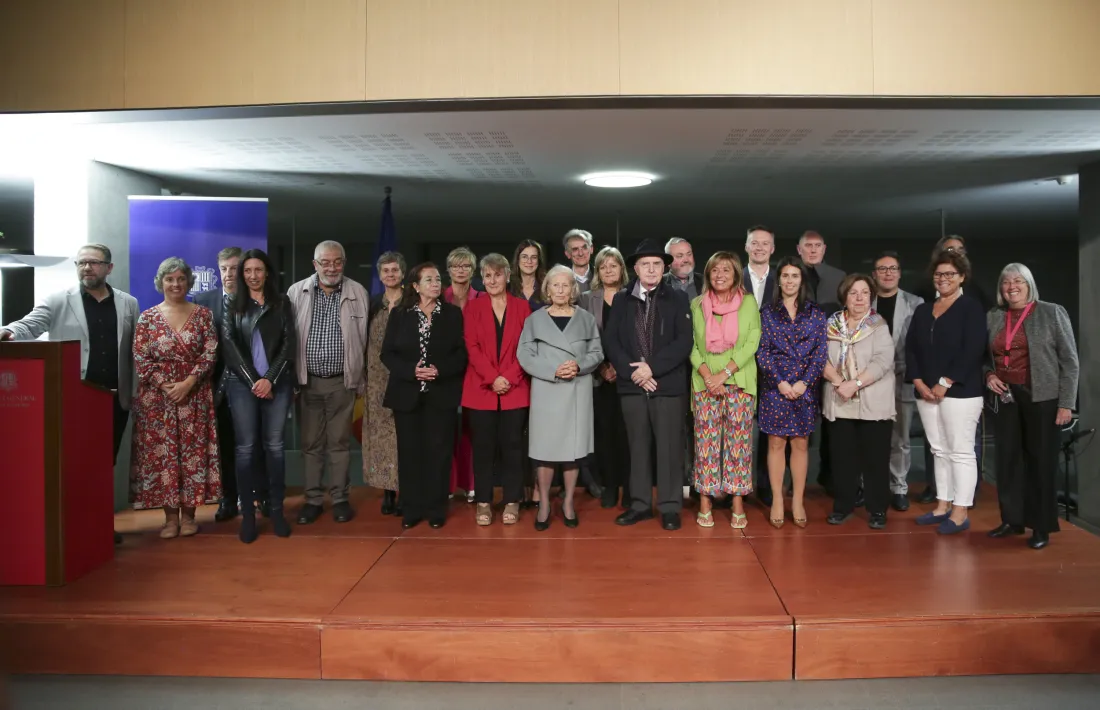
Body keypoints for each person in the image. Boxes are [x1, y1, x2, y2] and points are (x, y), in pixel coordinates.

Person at [1, 243, 140, 545]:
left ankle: (102, 524)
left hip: (116, 399)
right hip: (76, 398)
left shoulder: (128, 304)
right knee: (75, 463)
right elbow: (30, 324)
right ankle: (70, 526)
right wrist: (8, 331)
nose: (86, 268)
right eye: (81, 263)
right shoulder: (58, 300)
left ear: (109, 268)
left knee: (105, 465)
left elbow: (134, 351)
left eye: (93, 262)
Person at [985, 264, 1079, 549]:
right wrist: (988, 375)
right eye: (1006, 282)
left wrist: (1066, 404)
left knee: (1040, 462)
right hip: (1006, 397)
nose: (1011, 286)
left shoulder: (1051, 312)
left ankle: (1041, 527)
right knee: (1008, 462)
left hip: (1043, 398)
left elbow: (1070, 362)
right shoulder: (993, 316)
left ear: (1029, 284)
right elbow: (982, 356)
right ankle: (1012, 520)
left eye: (1018, 281)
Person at [603, 239, 693, 530]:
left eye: (657, 264)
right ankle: (640, 504)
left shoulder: (678, 298)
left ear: (664, 268)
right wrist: (634, 373)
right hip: (632, 385)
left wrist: (651, 368)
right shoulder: (621, 299)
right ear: (636, 268)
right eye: (646, 264)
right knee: (637, 447)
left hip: (667, 385)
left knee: (669, 448)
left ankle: (669, 507)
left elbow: (684, 342)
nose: (652, 269)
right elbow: (612, 341)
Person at [130, 257, 221, 538]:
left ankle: (190, 517)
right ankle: (169, 519)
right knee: (164, 458)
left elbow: (211, 351)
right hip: (158, 399)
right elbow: (140, 356)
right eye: (170, 279)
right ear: (161, 282)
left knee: (192, 455)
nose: (176, 284)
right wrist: (166, 385)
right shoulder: (147, 317)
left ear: (188, 282)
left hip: (194, 395)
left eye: (181, 278)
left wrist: (189, 382)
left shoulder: (203, 315)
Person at [906, 250, 987, 535]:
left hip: (961, 392)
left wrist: (945, 382)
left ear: (962, 276)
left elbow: (973, 350)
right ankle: (942, 505)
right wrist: (918, 382)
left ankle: (960, 511)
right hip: (925, 392)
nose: (943, 279)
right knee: (938, 450)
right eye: (939, 274)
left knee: (960, 452)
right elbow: (911, 349)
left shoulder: (971, 308)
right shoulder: (923, 310)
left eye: (950, 274)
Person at [382, 263, 467, 529]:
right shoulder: (400, 314)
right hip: (407, 394)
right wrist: (412, 371)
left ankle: (436, 508)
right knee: (409, 453)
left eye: (438, 279)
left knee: (438, 453)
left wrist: (439, 370)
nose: (435, 283)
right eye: (428, 279)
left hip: (441, 395)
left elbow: (461, 354)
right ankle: (411, 507)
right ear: (415, 286)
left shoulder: (452, 314)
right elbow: (387, 353)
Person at [288, 240, 368, 525]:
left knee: (339, 444)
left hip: (342, 383)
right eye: (326, 262)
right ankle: (311, 500)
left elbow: (364, 340)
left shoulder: (358, 292)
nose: (332, 267)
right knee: (311, 445)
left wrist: (360, 380)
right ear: (315, 265)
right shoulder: (296, 292)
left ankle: (340, 499)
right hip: (307, 382)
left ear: (344, 263)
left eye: (337, 262)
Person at [518, 265, 603, 530]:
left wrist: (578, 366)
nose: (561, 290)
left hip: (577, 389)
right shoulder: (535, 320)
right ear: (547, 289)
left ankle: (568, 503)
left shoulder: (586, 318)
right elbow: (524, 355)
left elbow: (597, 352)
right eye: (555, 285)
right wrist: (552, 370)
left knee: (571, 452)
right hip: (547, 390)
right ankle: (543, 502)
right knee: (545, 451)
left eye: (566, 285)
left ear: (573, 289)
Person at [222, 249, 296, 544]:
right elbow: (229, 344)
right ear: (242, 274)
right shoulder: (232, 303)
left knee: (275, 447)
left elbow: (289, 343)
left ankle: (277, 511)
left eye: (258, 270)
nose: (253, 275)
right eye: (247, 271)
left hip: (276, 384)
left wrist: (270, 379)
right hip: (242, 385)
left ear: (267, 272)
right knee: (245, 449)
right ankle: (248, 517)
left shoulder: (281, 302)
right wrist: (255, 380)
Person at [689, 252, 760, 529]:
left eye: (726, 270)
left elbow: (752, 341)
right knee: (705, 446)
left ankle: (737, 502)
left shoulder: (749, 303)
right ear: (708, 275)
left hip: (739, 381)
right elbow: (693, 346)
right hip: (704, 383)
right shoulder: (697, 304)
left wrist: (725, 374)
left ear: (735, 275)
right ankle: (705, 502)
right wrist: (709, 376)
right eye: (714, 270)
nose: (719, 275)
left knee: (739, 446)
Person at [194, 246, 265, 522]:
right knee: (225, 445)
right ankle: (228, 498)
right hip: (216, 386)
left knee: (255, 443)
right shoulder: (203, 300)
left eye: (234, 268)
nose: (228, 274)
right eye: (223, 269)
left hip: (252, 383)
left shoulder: (256, 300)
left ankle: (260, 495)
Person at [756, 256, 827, 529]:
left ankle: (797, 500)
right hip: (776, 389)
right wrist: (781, 382)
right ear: (779, 280)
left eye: (794, 276)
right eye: (785, 276)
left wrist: (804, 383)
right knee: (775, 444)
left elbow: (820, 354)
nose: (789, 281)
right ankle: (776, 499)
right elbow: (763, 352)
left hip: (805, 390)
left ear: (802, 280)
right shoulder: (767, 314)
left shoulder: (816, 314)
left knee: (799, 444)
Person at [821, 274, 896, 528]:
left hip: (873, 402)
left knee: (875, 460)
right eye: (854, 293)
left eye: (864, 293)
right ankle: (843, 506)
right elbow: (820, 358)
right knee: (842, 461)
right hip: (839, 400)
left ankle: (877, 510)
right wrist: (839, 383)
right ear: (844, 296)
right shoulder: (830, 325)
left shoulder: (878, 324)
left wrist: (856, 383)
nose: (859, 298)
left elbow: (883, 361)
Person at [463, 253, 532, 526]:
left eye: (497, 274)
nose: (492, 280)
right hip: (481, 389)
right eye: (487, 275)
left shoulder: (522, 307)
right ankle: (483, 501)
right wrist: (493, 378)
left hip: (515, 389)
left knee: (513, 447)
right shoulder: (472, 308)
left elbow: (527, 347)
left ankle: (512, 499)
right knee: (483, 449)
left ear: (507, 276)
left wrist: (510, 377)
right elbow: (472, 347)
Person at [870, 252, 924, 512]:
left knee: (900, 438)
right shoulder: (863, 301)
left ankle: (899, 486)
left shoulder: (915, 303)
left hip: (902, 378)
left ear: (900, 273)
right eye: (882, 269)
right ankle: (868, 485)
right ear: (874, 274)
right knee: (870, 437)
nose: (888, 273)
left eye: (893, 268)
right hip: (869, 381)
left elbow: (919, 344)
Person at [579, 246, 631, 509]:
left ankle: (631, 488)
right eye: (603, 266)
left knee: (630, 435)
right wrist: (602, 367)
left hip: (629, 377)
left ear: (622, 268)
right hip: (600, 379)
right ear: (597, 271)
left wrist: (620, 368)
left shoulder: (633, 296)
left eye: (614, 265)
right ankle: (610, 486)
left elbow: (637, 340)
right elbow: (583, 339)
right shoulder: (587, 299)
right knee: (605, 434)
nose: (609, 270)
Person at [796, 230, 845, 498]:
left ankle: (831, 478)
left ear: (824, 249)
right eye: (808, 246)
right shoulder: (789, 274)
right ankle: (791, 482)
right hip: (794, 362)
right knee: (795, 423)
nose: (813, 250)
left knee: (832, 422)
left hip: (830, 361)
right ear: (799, 249)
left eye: (817, 246)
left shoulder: (839, 278)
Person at [364, 251, 406, 516]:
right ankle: (387, 492)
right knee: (381, 439)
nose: (390, 275)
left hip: (403, 377)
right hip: (376, 380)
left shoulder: (412, 302)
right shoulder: (371, 304)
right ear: (380, 276)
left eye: (395, 270)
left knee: (404, 436)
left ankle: (406, 490)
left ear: (403, 273)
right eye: (385, 271)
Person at [443, 246, 481, 502]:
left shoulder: (482, 298)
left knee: (472, 431)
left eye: (466, 266)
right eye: (456, 266)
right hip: (445, 374)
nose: (461, 270)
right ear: (448, 270)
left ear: (472, 270)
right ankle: (447, 484)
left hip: (475, 373)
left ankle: (471, 484)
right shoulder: (438, 296)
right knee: (444, 430)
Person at [744, 226, 777, 507]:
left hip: (773, 366)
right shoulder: (732, 278)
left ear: (772, 249)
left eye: (765, 244)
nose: (759, 248)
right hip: (738, 364)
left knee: (769, 428)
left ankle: (766, 486)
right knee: (737, 427)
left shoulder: (784, 280)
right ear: (746, 247)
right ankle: (735, 485)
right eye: (755, 243)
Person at [511, 239, 547, 311]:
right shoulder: (508, 287)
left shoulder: (547, 286)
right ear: (518, 260)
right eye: (524, 257)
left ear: (539, 261)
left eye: (534, 257)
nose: (529, 261)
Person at [563, 229, 595, 293]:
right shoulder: (561, 278)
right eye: (575, 249)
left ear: (591, 249)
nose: (580, 253)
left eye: (584, 247)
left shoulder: (601, 276)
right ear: (568, 254)